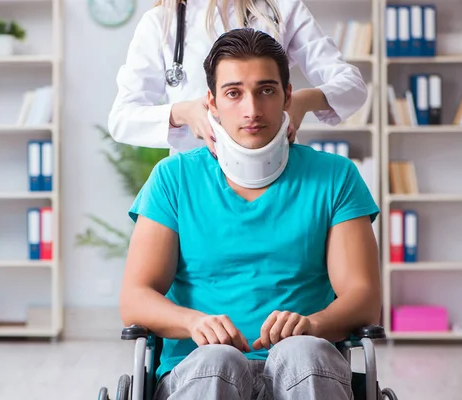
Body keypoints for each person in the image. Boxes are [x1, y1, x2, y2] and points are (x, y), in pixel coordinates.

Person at [119, 28, 381, 400]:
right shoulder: (173, 178)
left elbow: (363, 296)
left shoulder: (335, 177)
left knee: (301, 352)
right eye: (233, 93)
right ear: (211, 103)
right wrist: (193, 322)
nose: (251, 110)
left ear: (288, 96)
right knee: (217, 362)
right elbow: (135, 297)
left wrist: (313, 324)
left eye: (266, 90)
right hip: (199, 369)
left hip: (309, 369)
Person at [108, 0, 368, 156]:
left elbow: (353, 86)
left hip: (275, 168)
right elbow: (122, 120)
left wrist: (302, 101)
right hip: (197, 179)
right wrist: (183, 112)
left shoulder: (281, 9)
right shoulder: (161, 22)